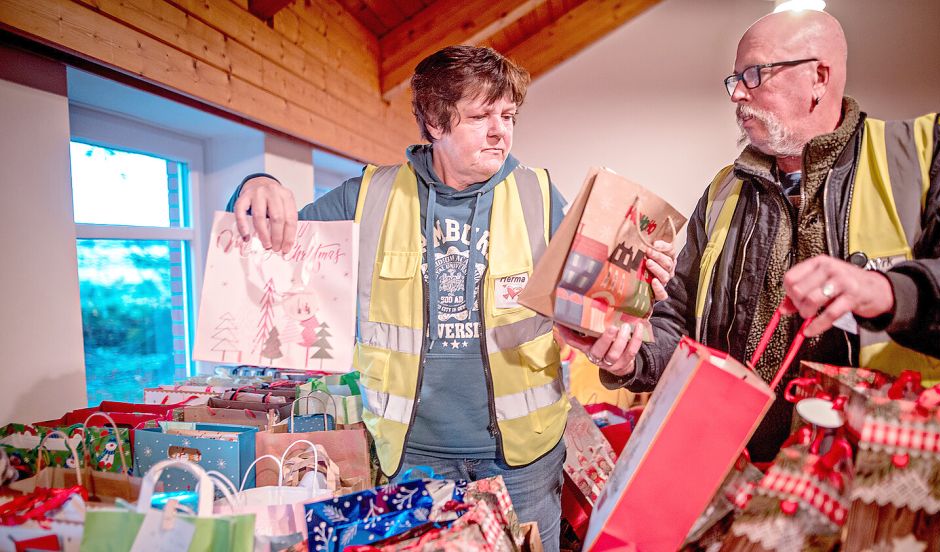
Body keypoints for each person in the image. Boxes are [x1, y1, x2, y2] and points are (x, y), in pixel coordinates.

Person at [230, 45, 677, 550]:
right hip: (413, 456)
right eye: (480, 116)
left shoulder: (539, 194)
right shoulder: (370, 196)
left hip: (523, 460)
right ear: (436, 123)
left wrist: (640, 284)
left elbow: (597, 308)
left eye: (507, 115)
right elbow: (264, 240)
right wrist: (257, 183)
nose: (500, 131)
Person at [561, 9, 940, 462]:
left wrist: (887, 290)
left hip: (889, 482)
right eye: (734, 79)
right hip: (746, 470)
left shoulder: (929, 157)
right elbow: (679, 326)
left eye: (755, 74)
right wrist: (631, 358)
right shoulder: (724, 191)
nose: (738, 93)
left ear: (819, 77)